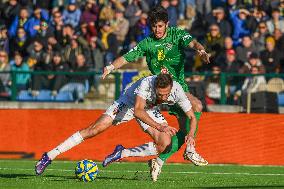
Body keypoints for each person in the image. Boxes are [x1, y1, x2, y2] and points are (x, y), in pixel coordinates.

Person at [102, 6, 209, 181]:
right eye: (154, 26)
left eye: (160, 26)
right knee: (196, 105)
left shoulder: (177, 35)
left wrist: (201, 50)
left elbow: (194, 43)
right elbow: (126, 57)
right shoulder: (147, 43)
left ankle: (158, 160)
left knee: (179, 134)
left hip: (177, 90)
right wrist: (110, 67)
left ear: (167, 24)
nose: (157, 30)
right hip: (157, 91)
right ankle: (190, 151)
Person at [35, 74, 196, 180]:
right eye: (159, 94)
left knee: (165, 144)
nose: (163, 97)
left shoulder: (177, 90)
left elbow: (192, 116)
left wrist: (191, 135)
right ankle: (49, 156)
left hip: (148, 109)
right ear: (155, 87)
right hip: (128, 103)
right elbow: (138, 111)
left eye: (165, 95)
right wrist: (159, 127)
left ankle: (122, 152)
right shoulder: (147, 83)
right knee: (94, 129)